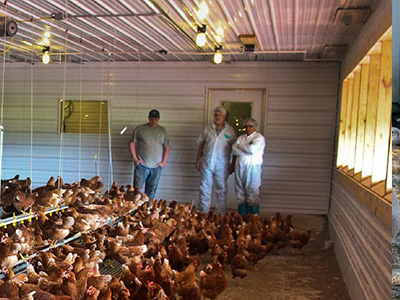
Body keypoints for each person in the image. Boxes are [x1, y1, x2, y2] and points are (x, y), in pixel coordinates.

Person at [196, 106, 236, 215]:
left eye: (220, 115)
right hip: (207, 161)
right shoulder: (208, 128)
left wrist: (233, 164)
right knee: (204, 187)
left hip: (222, 164)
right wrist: (198, 159)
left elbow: (235, 148)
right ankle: (203, 213)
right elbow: (201, 143)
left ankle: (220, 214)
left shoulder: (230, 130)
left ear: (224, 116)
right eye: (216, 115)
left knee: (221, 189)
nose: (218, 117)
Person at [129, 109, 170, 199]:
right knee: (137, 191)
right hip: (142, 165)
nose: (153, 121)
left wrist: (163, 162)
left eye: (155, 119)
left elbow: (167, 147)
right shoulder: (140, 129)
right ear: (148, 118)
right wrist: (135, 159)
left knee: (151, 191)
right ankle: (135, 211)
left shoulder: (163, 131)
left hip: (156, 166)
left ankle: (147, 210)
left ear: (158, 119)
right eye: (151, 119)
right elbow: (132, 143)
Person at [232, 118, 265, 215]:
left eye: (250, 126)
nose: (247, 128)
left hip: (252, 169)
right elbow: (234, 150)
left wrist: (241, 147)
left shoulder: (259, 138)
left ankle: (253, 220)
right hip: (239, 168)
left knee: (252, 193)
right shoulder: (241, 138)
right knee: (240, 193)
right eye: (246, 126)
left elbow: (252, 150)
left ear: (255, 127)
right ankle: (242, 219)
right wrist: (245, 148)